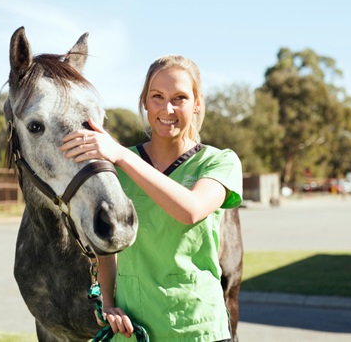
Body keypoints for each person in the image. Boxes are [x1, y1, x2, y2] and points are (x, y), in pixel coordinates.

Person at [60, 55, 243, 341]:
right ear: (145, 101)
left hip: (197, 329)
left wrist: (119, 154)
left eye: (180, 97)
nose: (167, 108)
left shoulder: (219, 162)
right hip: (133, 330)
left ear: (196, 103)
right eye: (157, 96)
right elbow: (106, 247)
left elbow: (191, 210)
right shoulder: (117, 167)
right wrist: (108, 303)